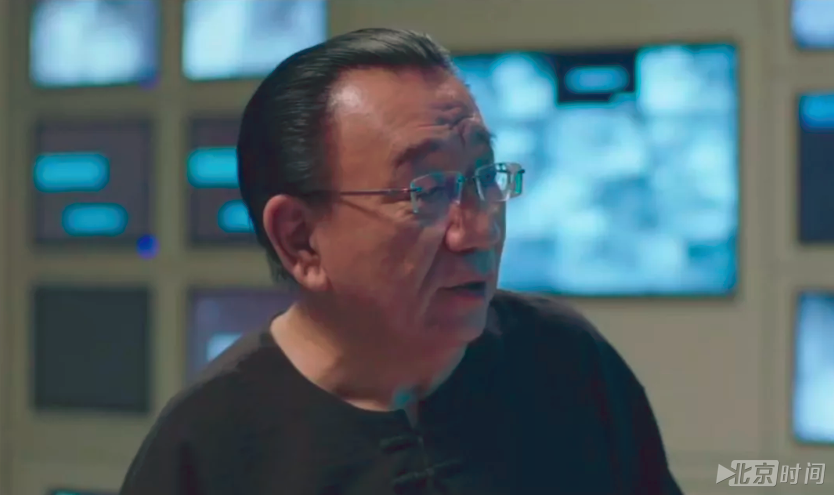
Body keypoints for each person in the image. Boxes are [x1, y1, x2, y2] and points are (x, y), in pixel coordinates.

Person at [120, 28, 683, 495]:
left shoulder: (564, 361)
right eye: (428, 190)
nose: (479, 230)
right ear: (300, 240)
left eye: (484, 177)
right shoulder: (208, 448)